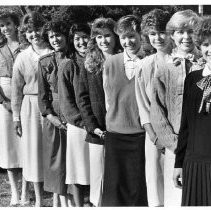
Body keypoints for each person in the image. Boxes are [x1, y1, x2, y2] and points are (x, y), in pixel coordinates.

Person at [150, 9, 202, 206]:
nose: (186, 37)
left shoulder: (207, 65)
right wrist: (175, 144)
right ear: (172, 35)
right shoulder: (164, 68)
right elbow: (157, 111)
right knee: (177, 198)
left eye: (191, 31)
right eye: (180, 32)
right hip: (177, 148)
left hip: (204, 147)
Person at [102, 15, 148, 206]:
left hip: (141, 134)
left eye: (132, 36)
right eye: (123, 37)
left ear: (140, 35)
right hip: (115, 133)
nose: (128, 41)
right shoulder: (111, 62)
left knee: (138, 190)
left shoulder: (150, 60)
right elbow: (107, 97)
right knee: (115, 190)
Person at [78, 17, 121, 207]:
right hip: (97, 129)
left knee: (119, 173)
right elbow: (82, 99)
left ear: (115, 36)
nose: (104, 41)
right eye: (99, 37)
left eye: (108, 36)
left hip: (122, 127)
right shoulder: (88, 64)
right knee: (98, 175)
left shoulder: (124, 60)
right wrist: (92, 126)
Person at [11, 12, 52, 207]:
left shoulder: (53, 51)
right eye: (29, 31)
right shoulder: (22, 57)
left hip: (53, 106)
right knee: (33, 152)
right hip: (30, 107)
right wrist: (16, 117)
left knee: (53, 150)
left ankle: (59, 195)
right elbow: (16, 90)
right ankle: (38, 198)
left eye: (36, 29)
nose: (34, 34)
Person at [135, 9, 172, 207]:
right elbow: (143, 106)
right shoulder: (145, 66)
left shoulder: (187, 61)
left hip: (183, 137)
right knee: (156, 183)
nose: (157, 37)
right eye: (152, 33)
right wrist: (155, 137)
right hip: (155, 137)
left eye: (162, 31)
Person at [173, 16, 211, 206]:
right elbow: (185, 125)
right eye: (205, 44)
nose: (209, 49)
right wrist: (179, 162)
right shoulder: (193, 78)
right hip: (194, 161)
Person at [38, 19, 70, 207]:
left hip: (73, 114)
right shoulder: (44, 62)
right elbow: (42, 96)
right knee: (56, 162)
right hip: (53, 116)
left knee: (73, 160)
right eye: (51, 36)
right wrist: (52, 117)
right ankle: (61, 204)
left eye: (58, 34)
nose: (55, 39)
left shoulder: (74, 58)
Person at [58, 23, 91, 207]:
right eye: (77, 38)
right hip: (78, 126)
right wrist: (83, 122)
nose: (81, 42)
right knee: (78, 170)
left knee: (96, 168)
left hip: (99, 125)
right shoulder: (68, 65)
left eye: (85, 37)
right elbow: (66, 101)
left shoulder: (100, 61)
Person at [0, 9, 22, 206]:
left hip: (26, 101)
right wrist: (4, 102)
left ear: (16, 24)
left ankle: (26, 192)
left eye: (8, 23)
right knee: (9, 148)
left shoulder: (25, 47)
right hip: (5, 104)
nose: (5, 28)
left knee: (27, 146)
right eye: (2, 25)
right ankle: (14, 192)